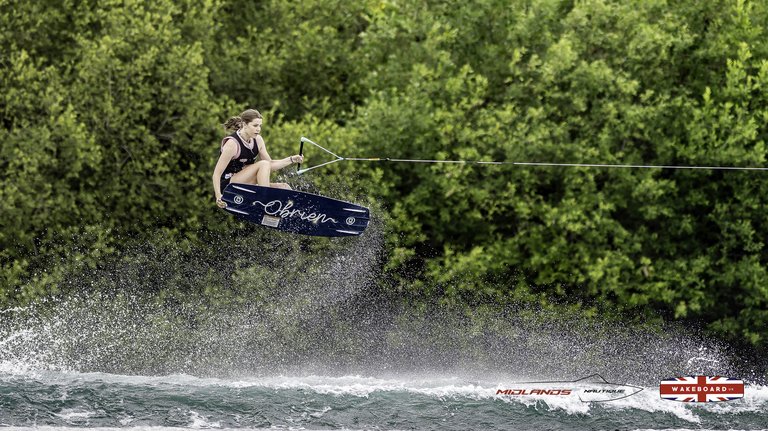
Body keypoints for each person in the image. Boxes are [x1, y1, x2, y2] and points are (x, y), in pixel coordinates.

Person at [212, 109, 304, 208]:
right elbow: (216, 174)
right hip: (228, 188)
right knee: (263, 164)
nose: (258, 129)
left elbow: (270, 165)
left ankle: (293, 213)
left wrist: (291, 159)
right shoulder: (232, 144)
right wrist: (218, 196)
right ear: (244, 124)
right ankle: (265, 202)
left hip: (244, 183)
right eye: (255, 125)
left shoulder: (258, 140)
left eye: (260, 126)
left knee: (284, 187)